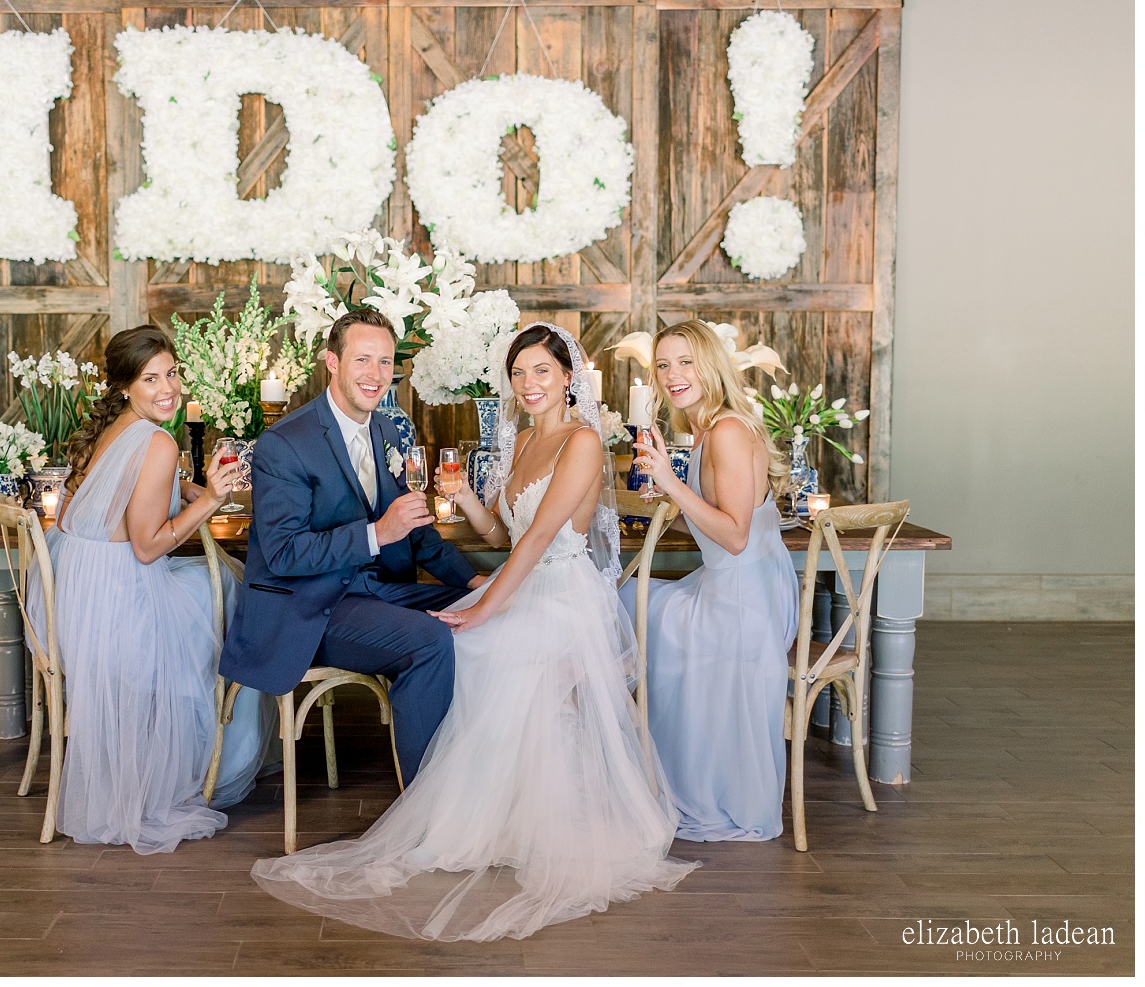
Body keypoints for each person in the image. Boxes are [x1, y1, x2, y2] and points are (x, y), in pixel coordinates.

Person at [250, 323, 697, 942]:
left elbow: (540, 539)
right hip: (339, 600)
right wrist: (460, 504)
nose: (530, 384)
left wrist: (477, 601)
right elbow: (500, 536)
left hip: (562, 592)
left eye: (542, 371)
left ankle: (475, 813)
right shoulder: (511, 442)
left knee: (468, 638)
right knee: (451, 639)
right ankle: (451, 809)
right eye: (519, 373)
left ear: (570, 377)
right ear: (332, 363)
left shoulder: (582, 440)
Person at [28, 326, 274, 855]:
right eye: (151, 379)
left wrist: (180, 488)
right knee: (236, 593)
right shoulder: (159, 440)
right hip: (122, 602)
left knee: (222, 583)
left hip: (76, 599)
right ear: (124, 387)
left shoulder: (114, 427)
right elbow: (147, 547)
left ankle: (194, 748)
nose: (169, 389)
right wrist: (209, 498)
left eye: (173, 373)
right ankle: (216, 763)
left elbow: (122, 493)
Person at [220, 308, 482, 788]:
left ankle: (484, 781)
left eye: (385, 363)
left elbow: (415, 529)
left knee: (488, 611)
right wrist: (376, 534)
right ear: (332, 363)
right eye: (363, 359)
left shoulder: (385, 431)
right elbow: (284, 554)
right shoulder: (283, 443)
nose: (376, 374)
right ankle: (427, 798)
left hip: (381, 592)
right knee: (430, 640)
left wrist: (474, 583)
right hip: (313, 607)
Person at [620, 318, 799, 841]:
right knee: (632, 600)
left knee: (626, 606)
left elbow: (736, 535)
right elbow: (713, 517)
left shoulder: (725, 430)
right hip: (735, 585)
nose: (673, 374)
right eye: (662, 365)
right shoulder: (708, 427)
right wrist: (667, 501)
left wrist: (672, 482)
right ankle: (625, 763)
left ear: (710, 364)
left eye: (685, 361)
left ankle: (623, 768)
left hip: (745, 600)